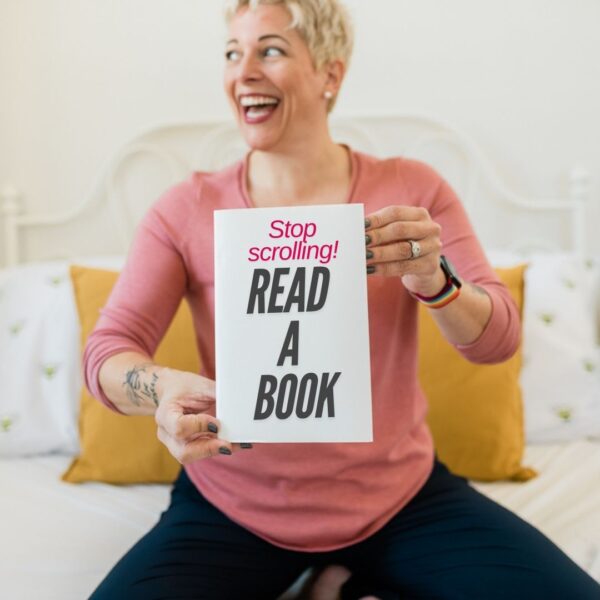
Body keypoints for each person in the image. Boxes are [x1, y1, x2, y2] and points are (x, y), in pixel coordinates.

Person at [85, 1, 600, 598]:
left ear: (331, 74)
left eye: (270, 49)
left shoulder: (411, 189)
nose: (243, 70)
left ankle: (340, 579)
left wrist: (437, 280)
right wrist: (161, 389)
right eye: (232, 53)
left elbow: (498, 340)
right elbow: (108, 351)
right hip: (232, 507)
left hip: (400, 500)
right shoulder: (185, 209)